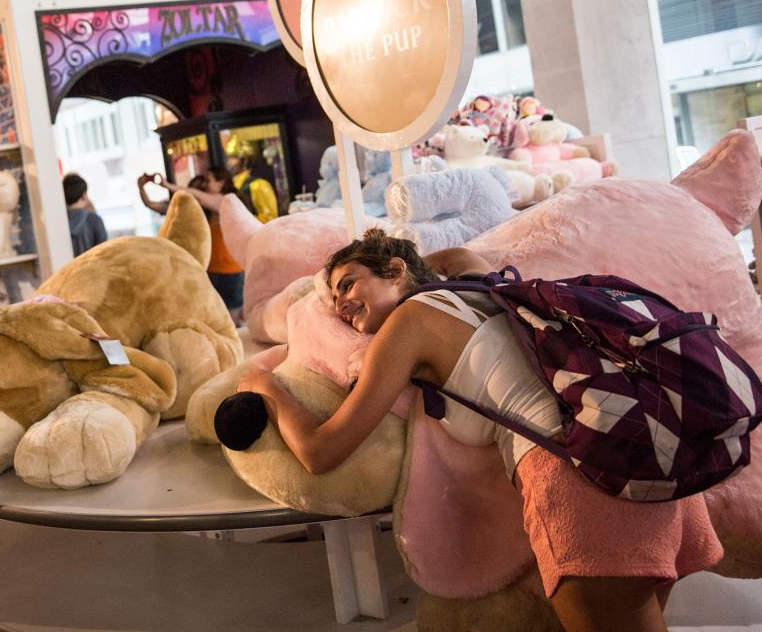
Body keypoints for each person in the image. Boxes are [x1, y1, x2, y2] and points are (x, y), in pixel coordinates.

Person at [237, 229, 722, 632]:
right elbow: (460, 255)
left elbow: (322, 452)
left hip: (582, 483)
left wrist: (266, 386)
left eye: (347, 283)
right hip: (647, 458)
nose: (340, 303)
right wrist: (402, 263)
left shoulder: (409, 323)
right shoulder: (480, 290)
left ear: (396, 272)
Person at [142, 170, 246, 320]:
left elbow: (196, 196)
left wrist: (166, 185)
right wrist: (141, 187)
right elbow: (153, 205)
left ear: (221, 182)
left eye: (208, 180)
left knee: (229, 318)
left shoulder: (226, 201)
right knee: (216, 316)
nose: (204, 185)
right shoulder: (204, 209)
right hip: (210, 269)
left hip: (229, 270)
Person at [224, 135, 278, 223]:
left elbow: (270, 218)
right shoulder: (231, 184)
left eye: (234, 157)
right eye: (229, 158)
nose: (228, 162)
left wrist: (243, 221)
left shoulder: (258, 184)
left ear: (245, 160)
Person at [63, 172, 108, 257]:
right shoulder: (95, 221)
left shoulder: (59, 223)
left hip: (68, 270)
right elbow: (104, 254)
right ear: (84, 196)